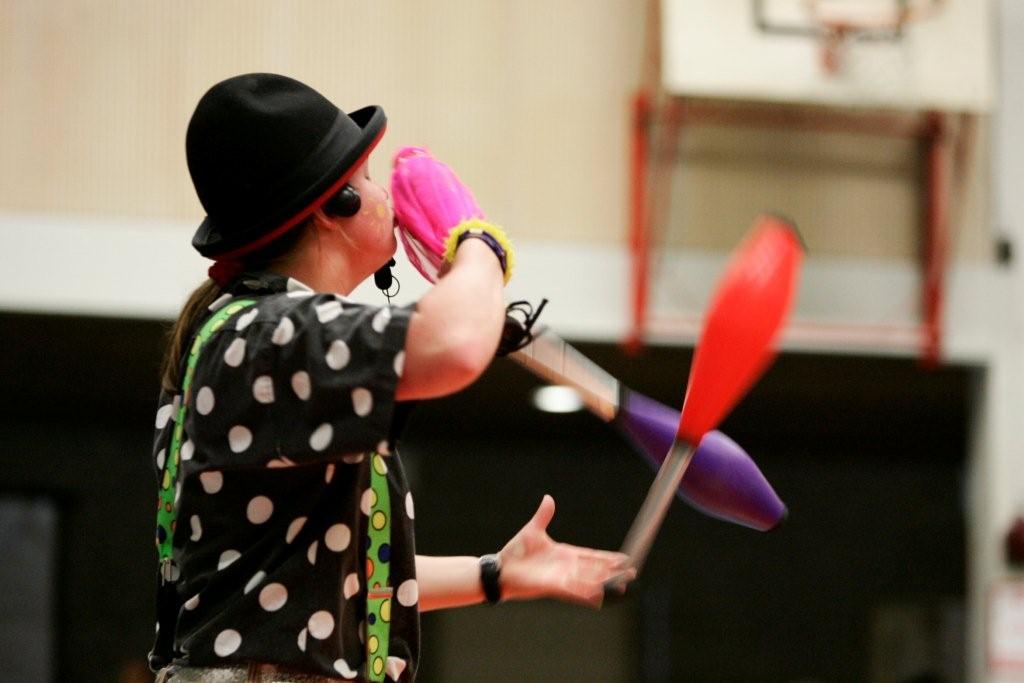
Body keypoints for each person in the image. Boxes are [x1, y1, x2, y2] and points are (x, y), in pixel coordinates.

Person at [149, 73, 632, 683]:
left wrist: (495, 574)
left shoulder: (252, 333)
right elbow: (453, 345)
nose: (385, 196)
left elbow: (333, 574)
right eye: (367, 181)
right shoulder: (271, 336)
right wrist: (477, 243)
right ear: (334, 208)